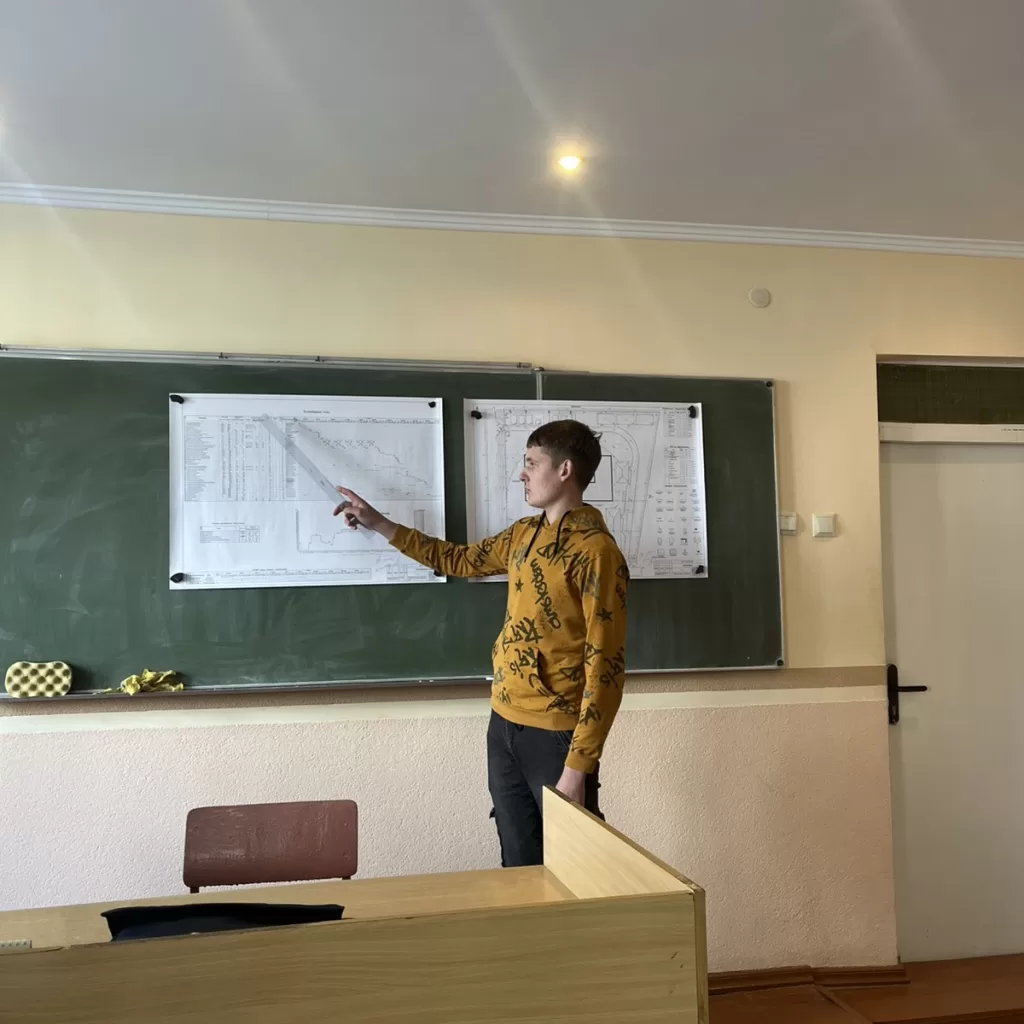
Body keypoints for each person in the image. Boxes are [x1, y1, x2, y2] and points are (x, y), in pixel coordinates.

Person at [334, 419, 629, 867]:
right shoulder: (523, 534)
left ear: (565, 470)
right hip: (503, 723)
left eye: (532, 463)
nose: (522, 474)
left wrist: (577, 768)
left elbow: (606, 665)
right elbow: (458, 559)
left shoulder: (596, 552)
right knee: (517, 862)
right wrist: (379, 523)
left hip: (555, 735)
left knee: (574, 868)